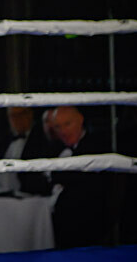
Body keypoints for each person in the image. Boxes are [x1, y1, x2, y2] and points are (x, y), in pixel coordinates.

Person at [50, 106, 110, 248]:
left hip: (85, 223)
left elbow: (84, 185)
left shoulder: (96, 145)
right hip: (54, 221)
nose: (63, 131)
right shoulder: (54, 147)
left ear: (80, 120)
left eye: (67, 124)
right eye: (58, 126)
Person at [0, 107, 52, 196]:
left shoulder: (41, 138)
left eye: (21, 114)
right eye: (13, 116)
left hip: (27, 197)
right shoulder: (2, 140)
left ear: (30, 114)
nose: (17, 119)